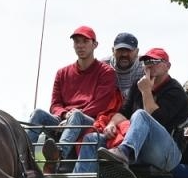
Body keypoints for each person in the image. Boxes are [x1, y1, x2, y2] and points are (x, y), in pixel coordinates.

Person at [28, 25, 122, 170]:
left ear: (95, 45)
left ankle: (58, 155)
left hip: (89, 121)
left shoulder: (106, 72)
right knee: (37, 114)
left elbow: (101, 104)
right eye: (77, 42)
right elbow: (55, 104)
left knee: (77, 115)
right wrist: (65, 115)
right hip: (63, 120)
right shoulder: (62, 73)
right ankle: (24, 159)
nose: (80, 45)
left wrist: (72, 117)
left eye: (85, 41)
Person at [100, 47, 188, 171]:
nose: (149, 65)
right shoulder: (138, 85)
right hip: (140, 147)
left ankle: (124, 152)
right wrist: (112, 123)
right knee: (93, 139)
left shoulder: (175, 91)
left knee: (140, 114)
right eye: (147, 62)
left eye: (155, 62)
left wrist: (146, 91)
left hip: (168, 154)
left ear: (167, 66)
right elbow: (124, 112)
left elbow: (157, 119)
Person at [108, 32, 147, 100]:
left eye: (129, 50)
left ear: (137, 52)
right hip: (109, 108)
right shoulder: (103, 66)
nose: (124, 54)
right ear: (113, 50)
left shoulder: (146, 66)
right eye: (120, 50)